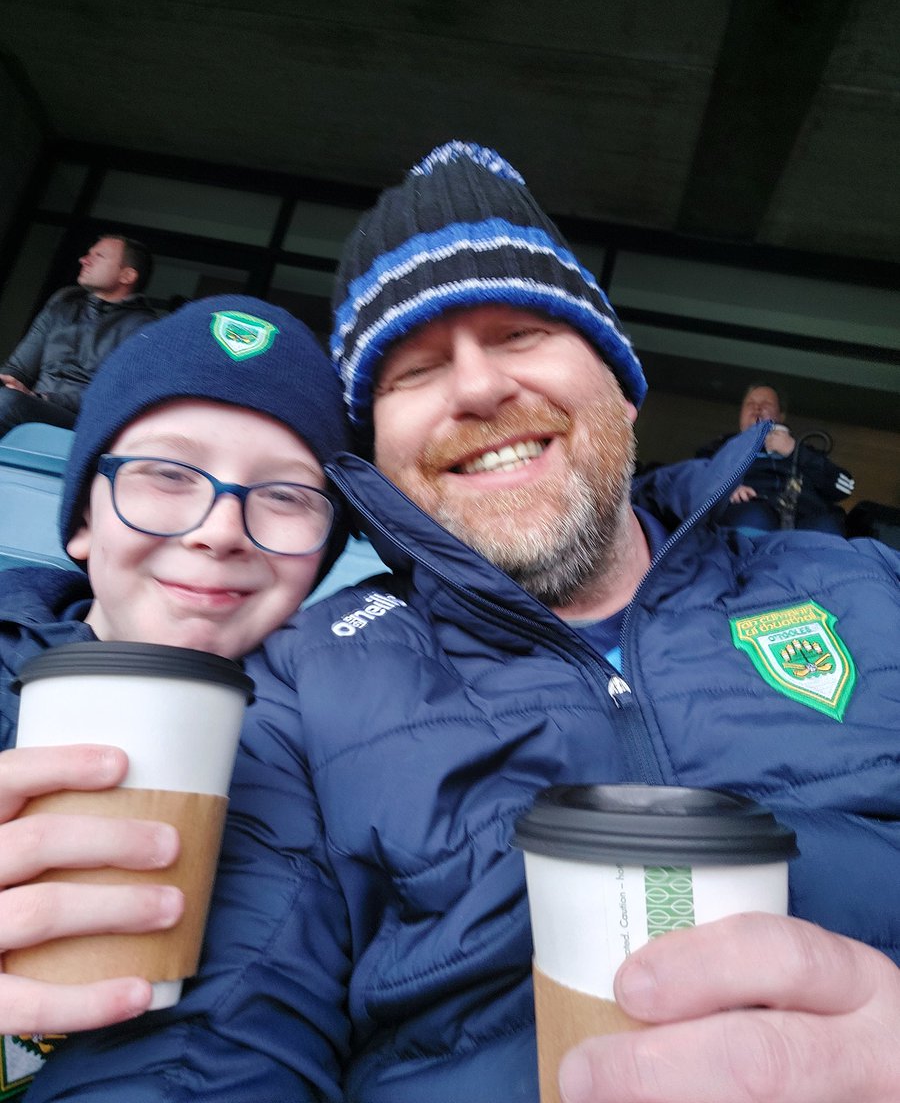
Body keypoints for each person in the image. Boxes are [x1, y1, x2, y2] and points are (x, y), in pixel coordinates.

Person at [21, 143, 900, 1103]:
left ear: (621, 381)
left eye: (522, 333)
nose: (478, 388)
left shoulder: (866, 587)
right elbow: (203, 1051)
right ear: (374, 458)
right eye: (415, 370)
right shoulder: (304, 687)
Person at [0, 294, 348, 1098]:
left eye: (286, 495)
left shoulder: (353, 743)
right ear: (84, 516)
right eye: (165, 474)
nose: (219, 529)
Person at [0, 235, 159, 436]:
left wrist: (42, 397)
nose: (84, 260)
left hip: (82, 421)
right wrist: (8, 383)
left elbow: (115, 397)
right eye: (88, 254)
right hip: (27, 403)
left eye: (99, 256)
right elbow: (18, 369)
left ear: (127, 276)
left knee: (7, 402)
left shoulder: (145, 327)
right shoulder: (64, 304)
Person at [696, 383, 855, 534]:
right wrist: (726, 488)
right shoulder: (721, 447)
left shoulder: (804, 451)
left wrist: (795, 451)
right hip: (748, 514)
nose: (757, 408)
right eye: (750, 403)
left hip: (805, 521)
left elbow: (845, 487)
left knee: (827, 527)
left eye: (766, 404)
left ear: (781, 415)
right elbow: (693, 480)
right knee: (754, 517)